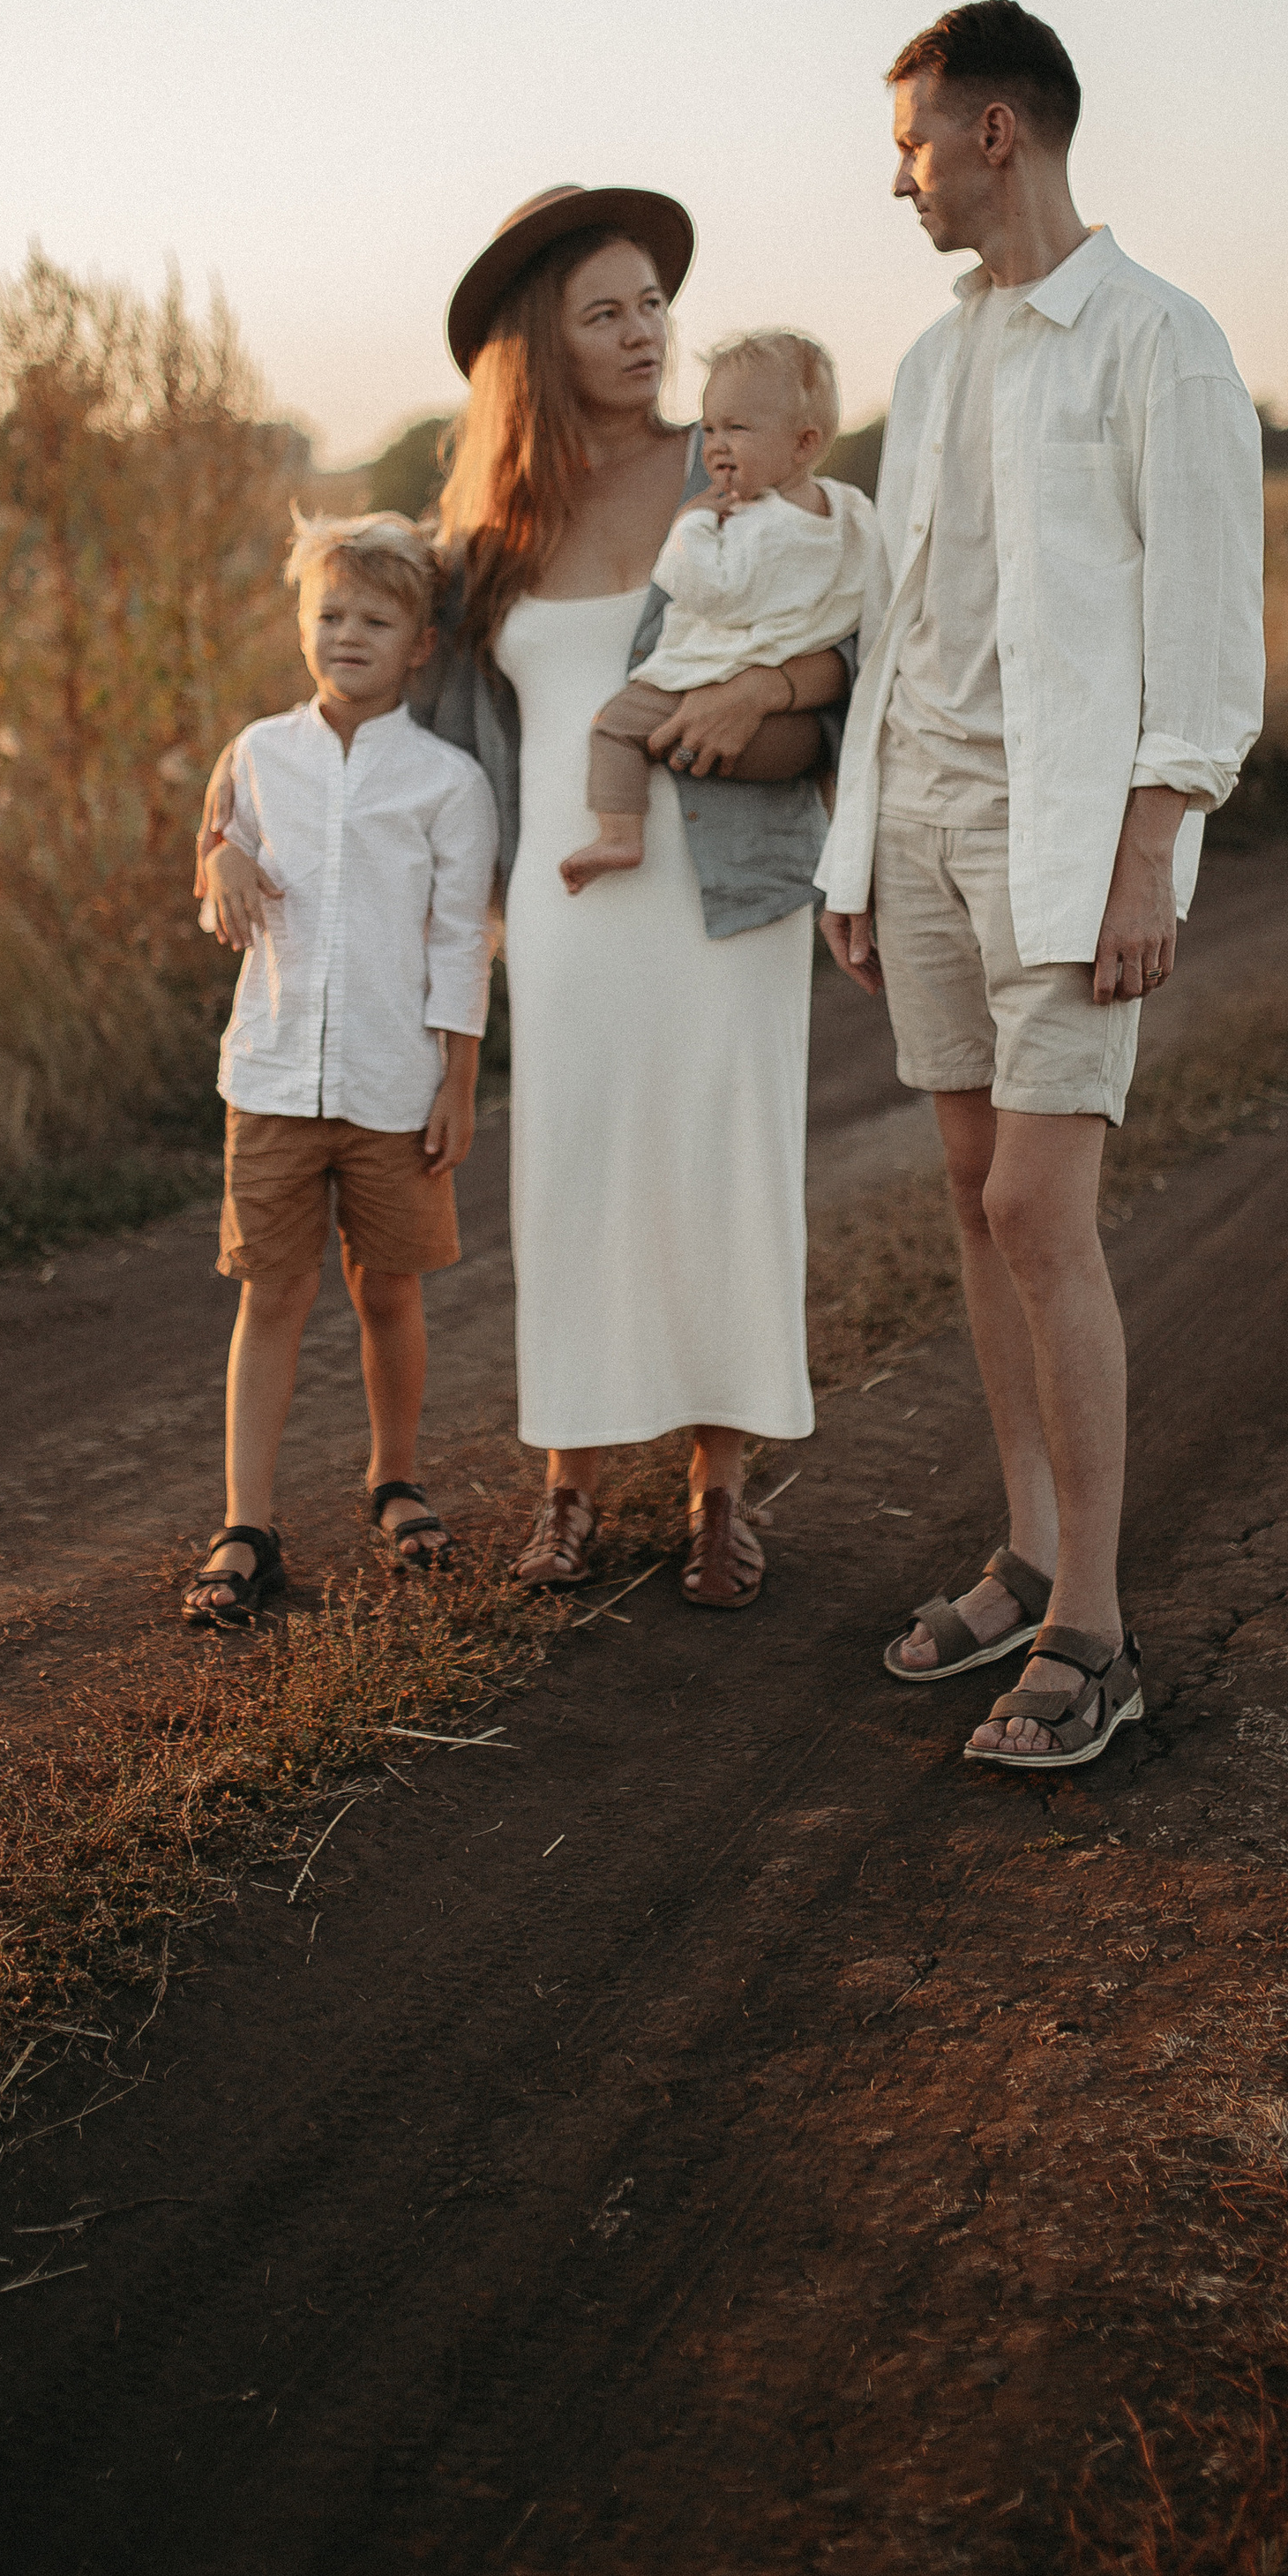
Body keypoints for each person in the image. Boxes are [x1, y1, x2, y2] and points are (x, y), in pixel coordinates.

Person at [819, 0, 1264, 1769]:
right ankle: (1016, 1550)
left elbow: (1204, 627)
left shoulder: (1158, 344)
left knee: (1033, 1208)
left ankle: (1092, 1620)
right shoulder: (934, 361)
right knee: (958, 1184)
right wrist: (856, 845)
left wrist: (1152, 843)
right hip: (918, 818)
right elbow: (900, 618)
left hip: (1067, 837)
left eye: (913, 141)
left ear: (997, 131)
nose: (899, 178)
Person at [419, 185, 852, 1608]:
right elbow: (427, 744)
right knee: (579, 1174)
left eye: (652, 304)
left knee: (723, 1169)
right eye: (604, 313)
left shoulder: (728, 472)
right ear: (540, 345)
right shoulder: (490, 534)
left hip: (726, 893)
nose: (642, 334)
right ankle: (570, 1488)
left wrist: (774, 688)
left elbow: (853, 643)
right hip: (566, 904)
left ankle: (721, 1493)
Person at [181, 511, 498, 1629]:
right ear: (300, 626)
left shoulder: (448, 783)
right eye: (329, 615)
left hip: (393, 1084)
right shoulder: (258, 753)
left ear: (420, 643)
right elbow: (216, 859)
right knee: (271, 1293)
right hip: (269, 1077)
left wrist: (458, 1083)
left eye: (375, 618)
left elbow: (462, 940)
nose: (347, 634)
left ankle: (394, 1479)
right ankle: (244, 1522)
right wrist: (217, 856)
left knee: (389, 1289)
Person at [562, 328, 880, 895]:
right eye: (709, 428)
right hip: (792, 731)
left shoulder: (755, 522)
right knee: (825, 768)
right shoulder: (849, 510)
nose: (716, 446)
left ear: (804, 444)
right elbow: (866, 594)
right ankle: (846, 852)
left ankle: (618, 834)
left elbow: (713, 594)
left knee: (613, 729)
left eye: (737, 428)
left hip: (706, 683)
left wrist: (691, 526)